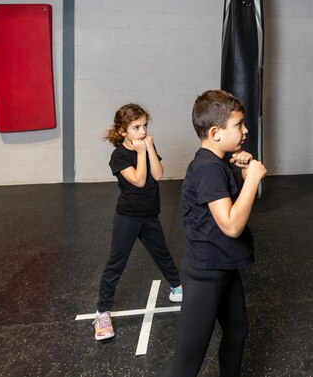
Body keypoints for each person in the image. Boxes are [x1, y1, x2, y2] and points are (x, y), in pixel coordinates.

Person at [159, 90, 267, 377]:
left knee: (237, 333)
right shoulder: (207, 169)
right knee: (186, 364)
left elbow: (234, 207)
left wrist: (244, 176)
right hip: (206, 273)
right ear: (216, 132)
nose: (245, 131)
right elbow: (231, 225)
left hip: (225, 267)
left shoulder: (219, 163)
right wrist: (253, 179)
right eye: (239, 125)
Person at [94, 104, 182, 341]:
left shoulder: (146, 145)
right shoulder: (119, 156)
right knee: (116, 262)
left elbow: (158, 175)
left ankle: (177, 287)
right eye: (136, 127)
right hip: (128, 217)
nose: (142, 131)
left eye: (144, 126)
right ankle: (102, 312)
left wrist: (149, 148)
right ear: (123, 131)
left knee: (162, 252)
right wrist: (141, 152)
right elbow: (140, 181)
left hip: (150, 214)